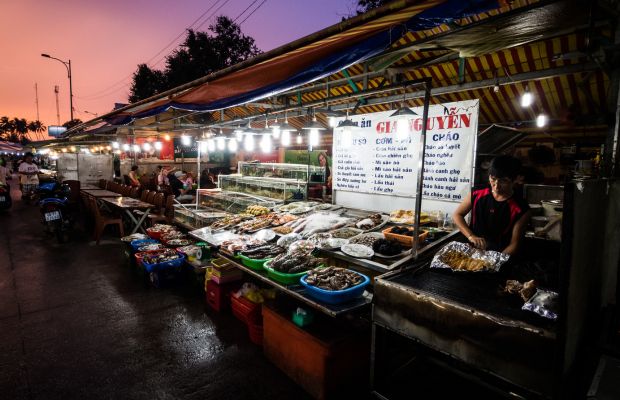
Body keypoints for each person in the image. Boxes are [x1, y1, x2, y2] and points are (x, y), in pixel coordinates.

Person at [453, 155, 531, 255]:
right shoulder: (477, 193)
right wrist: (471, 236)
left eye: (504, 181)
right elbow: (457, 215)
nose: (496, 186)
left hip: (500, 253)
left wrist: (494, 262)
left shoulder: (521, 208)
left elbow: (514, 244)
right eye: (493, 179)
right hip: (471, 250)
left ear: (515, 179)